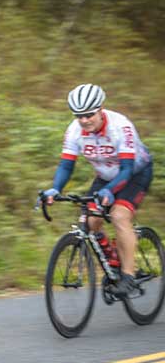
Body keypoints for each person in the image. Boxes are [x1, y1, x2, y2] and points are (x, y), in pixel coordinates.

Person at [42, 84, 153, 297]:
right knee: (90, 221)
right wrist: (55, 189)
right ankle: (112, 258)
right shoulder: (75, 131)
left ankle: (128, 276)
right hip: (106, 176)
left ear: (100, 108)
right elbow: (66, 165)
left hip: (134, 173)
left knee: (119, 216)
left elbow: (127, 169)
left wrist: (111, 191)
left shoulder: (121, 126)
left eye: (89, 115)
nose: (84, 120)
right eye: (78, 116)